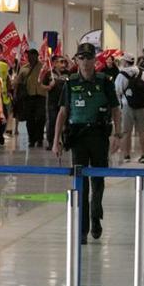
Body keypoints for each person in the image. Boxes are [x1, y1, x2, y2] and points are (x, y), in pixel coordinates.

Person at [53, 43, 122, 242]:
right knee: (81, 182)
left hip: (99, 136)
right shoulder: (71, 83)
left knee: (98, 181)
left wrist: (118, 135)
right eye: (81, 58)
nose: (85, 62)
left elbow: (116, 109)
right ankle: (82, 227)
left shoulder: (104, 81)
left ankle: (95, 216)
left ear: (95, 60)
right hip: (78, 137)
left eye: (88, 58)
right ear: (76, 60)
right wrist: (56, 141)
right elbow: (63, 112)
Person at [115, 55, 144, 163]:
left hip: (127, 106)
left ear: (125, 62)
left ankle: (126, 156)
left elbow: (117, 91)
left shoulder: (121, 75)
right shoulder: (142, 73)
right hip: (141, 106)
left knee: (126, 132)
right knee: (142, 131)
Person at [14, 49, 47, 149]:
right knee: (30, 119)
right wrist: (15, 94)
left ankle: (40, 139)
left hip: (41, 96)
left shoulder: (43, 67)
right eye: (29, 56)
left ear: (37, 56)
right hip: (28, 97)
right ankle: (31, 139)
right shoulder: (24, 68)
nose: (30, 58)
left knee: (41, 118)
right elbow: (18, 83)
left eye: (32, 56)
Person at [42, 55, 71, 149]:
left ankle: (65, 142)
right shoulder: (49, 74)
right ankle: (52, 143)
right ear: (54, 63)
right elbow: (42, 85)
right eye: (61, 62)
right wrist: (49, 86)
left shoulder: (68, 73)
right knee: (52, 122)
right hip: (52, 102)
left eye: (64, 62)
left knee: (66, 122)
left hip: (65, 102)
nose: (63, 64)